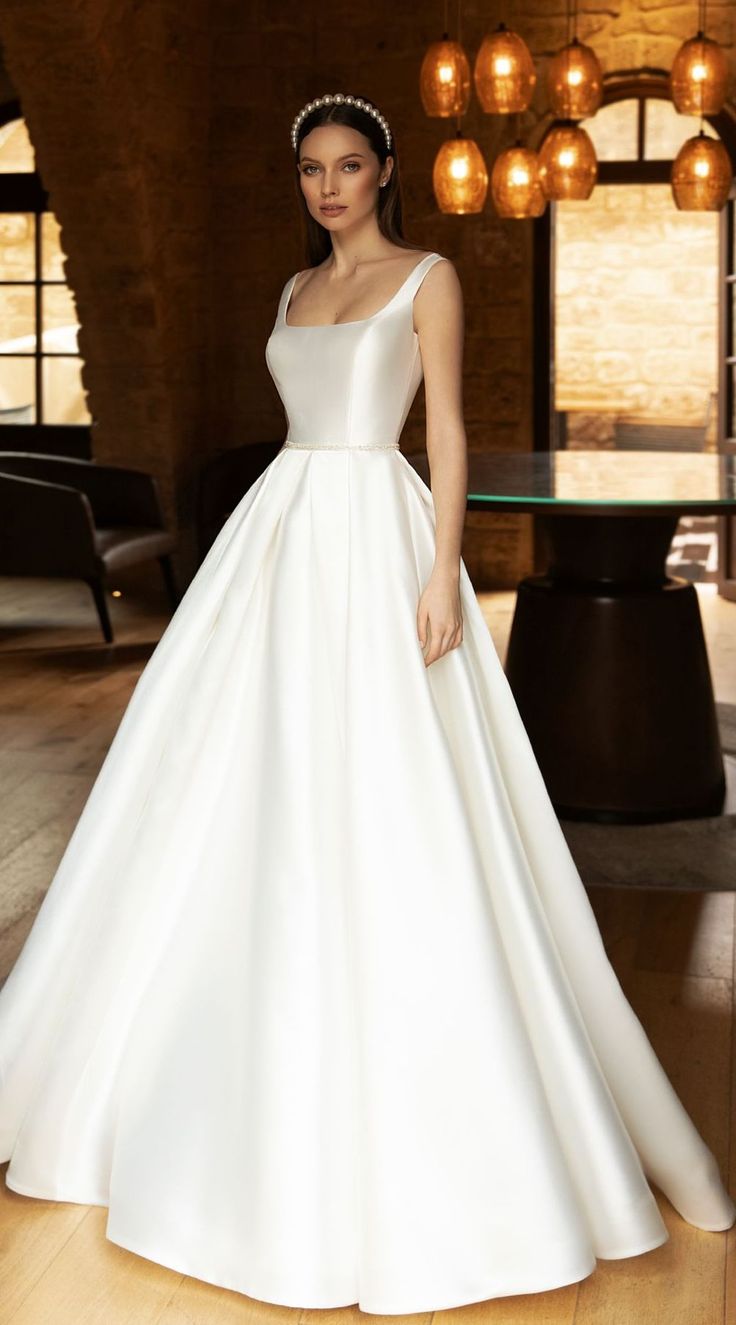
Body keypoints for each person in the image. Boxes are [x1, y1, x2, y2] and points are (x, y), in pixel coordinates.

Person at [0, 91, 734, 1315]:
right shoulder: (289, 295)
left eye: (348, 166)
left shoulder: (428, 277)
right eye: (310, 171)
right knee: (222, 781)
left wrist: (438, 569)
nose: (329, 187)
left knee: (395, 793)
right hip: (279, 543)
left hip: (376, 537)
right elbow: (302, 423)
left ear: (385, 170)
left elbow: (446, 433)